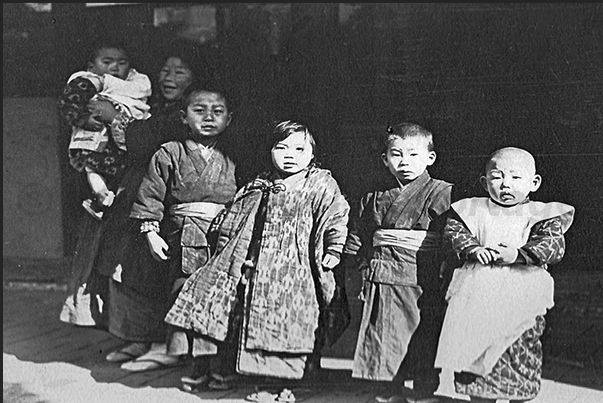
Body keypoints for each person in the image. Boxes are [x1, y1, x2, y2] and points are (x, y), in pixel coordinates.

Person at [163, 120, 350, 397]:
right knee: (247, 316)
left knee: (294, 323)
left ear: (312, 154)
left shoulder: (321, 184)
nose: (290, 155)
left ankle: (289, 382)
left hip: (298, 270)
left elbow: (336, 217)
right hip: (260, 268)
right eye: (281, 147)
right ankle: (258, 381)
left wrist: (333, 249)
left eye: (299, 149)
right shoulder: (260, 184)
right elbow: (236, 220)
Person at [59, 41, 216, 370]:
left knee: (153, 272)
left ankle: (162, 343)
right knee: (126, 268)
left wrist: (114, 116)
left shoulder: (191, 111)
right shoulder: (155, 104)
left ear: (195, 77)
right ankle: (139, 337)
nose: (169, 77)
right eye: (165, 70)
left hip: (164, 202)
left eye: (180, 71)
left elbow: (141, 141)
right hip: (135, 197)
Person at [433, 147, 575, 403]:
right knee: (476, 349)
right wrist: (473, 248)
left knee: (518, 346)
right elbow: (453, 233)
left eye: (515, 177)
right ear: (485, 181)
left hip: (522, 294)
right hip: (478, 293)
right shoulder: (473, 209)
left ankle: (517, 394)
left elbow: (553, 245)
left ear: (534, 183)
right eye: (497, 177)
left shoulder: (542, 214)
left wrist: (519, 255)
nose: (505, 184)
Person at [125, 87, 239, 374]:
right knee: (180, 291)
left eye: (218, 111)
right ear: (183, 116)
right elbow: (150, 195)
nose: (209, 117)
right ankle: (183, 354)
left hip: (222, 239)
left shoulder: (235, 156)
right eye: (199, 110)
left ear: (229, 119)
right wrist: (151, 232)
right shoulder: (169, 152)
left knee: (221, 296)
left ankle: (215, 360)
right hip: (182, 239)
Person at [342, 123, 454, 403]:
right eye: (397, 154)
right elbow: (360, 234)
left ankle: (424, 390)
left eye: (414, 155)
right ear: (385, 159)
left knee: (424, 333)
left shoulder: (442, 192)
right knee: (383, 335)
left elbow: (451, 237)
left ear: (430, 158)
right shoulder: (374, 195)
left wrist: (449, 268)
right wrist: (356, 264)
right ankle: (388, 390)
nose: (405, 162)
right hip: (382, 274)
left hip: (423, 276)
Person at [58, 41, 152, 220]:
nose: (114, 67)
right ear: (92, 67)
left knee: (127, 180)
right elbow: (68, 103)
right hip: (95, 142)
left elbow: (141, 99)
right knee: (92, 170)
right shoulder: (88, 80)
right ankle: (101, 194)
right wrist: (83, 119)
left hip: (124, 145)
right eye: (107, 62)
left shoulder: (135, 83)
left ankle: (109, 200)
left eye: (122, 63)